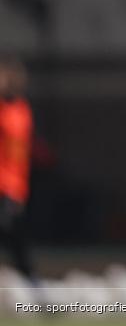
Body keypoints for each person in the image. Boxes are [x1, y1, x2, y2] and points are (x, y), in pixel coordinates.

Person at [0, 57, 36, 281]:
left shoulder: (18, 112)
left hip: (9, 187)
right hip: (9, 186)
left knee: (15, 240)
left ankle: (34, 287)